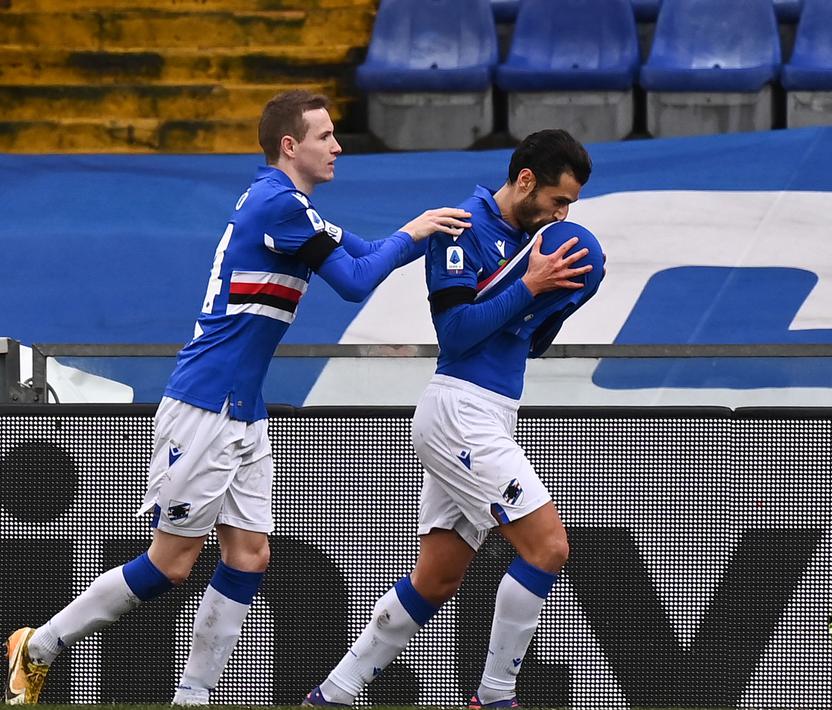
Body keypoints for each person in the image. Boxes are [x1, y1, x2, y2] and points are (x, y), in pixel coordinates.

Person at [3, 90, 471, 705]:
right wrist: (414, 233)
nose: (337, 146)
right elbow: (357, 282)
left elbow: (361, 249)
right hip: (206, 405)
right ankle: (36, 647)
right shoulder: (280, 205)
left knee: (249, 557)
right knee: (171, 563)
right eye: (325, 136)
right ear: (289, 145)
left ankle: (193, 697)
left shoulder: (290, 205)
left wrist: (425, 235)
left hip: (242, 410)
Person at [304, 129, 604, 709]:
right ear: (525, 181)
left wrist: (560, 300)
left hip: (488, 412)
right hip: (461, 409)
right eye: (558, 201)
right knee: (548, 548)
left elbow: (528, 344)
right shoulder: (462, 228)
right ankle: (495, 697)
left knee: (435, 580)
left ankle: (333, 695)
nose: (563, 214)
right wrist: (531, 286)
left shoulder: (528, 239)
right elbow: (458, 334)